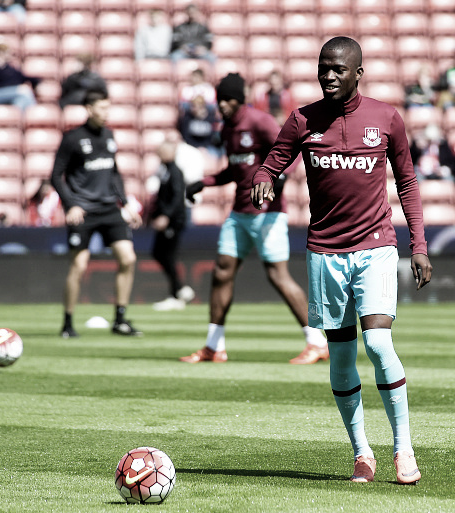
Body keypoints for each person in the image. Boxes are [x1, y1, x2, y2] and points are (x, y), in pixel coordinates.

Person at [251, 37, 432, 485]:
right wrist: (263, 180)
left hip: (376, 246)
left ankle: (403, 449)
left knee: (378, 344)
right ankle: (361, 453)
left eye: (337, 69)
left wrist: (420, 246)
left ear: (358, 73)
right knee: (341, 357)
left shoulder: (386, 117)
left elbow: (407, 182)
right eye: (322, 67)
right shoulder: (302, 120)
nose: (328, 75)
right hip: (324, 252)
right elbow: (270, 163)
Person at [180, 72, 329, 365]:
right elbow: (235, 171)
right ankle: (214, 346)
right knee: (222, 272)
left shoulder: (259, 121)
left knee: (278, 276)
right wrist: (205, 182)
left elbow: (293, 150)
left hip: (269, 213)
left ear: (239, 99)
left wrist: (281, 176)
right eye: (220, 99)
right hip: (239, 212)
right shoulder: (226, 129)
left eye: (228, 99)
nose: (222, 105)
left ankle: (317, 342)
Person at [50, 90, 143, 338]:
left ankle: (120, 319)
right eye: (101, 108)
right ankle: (68, 323)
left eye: (108, 108)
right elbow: (55, 176)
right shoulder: (72, 138)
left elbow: (114, 173)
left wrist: (125, 204)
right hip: (84, 211)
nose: (106, 113)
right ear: (89, 109)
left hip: (109, 209)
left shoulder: (109, 136)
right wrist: (71, 205)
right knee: (79, 265)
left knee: (128, 258)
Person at [150, 138, 195, 311]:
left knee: (167, 255)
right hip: (168, 219)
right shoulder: (164, 170)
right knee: (160, 254)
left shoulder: (175, 171)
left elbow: (177, 197)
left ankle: (178, 292)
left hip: (173, 221)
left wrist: (166, 216)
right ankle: (178, 290)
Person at [0, 43, 40, 111]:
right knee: (24, 90)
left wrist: (36, 81)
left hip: (10, 94)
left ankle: (17, 118)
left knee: (20, 100)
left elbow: (22, 77)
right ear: (0, 53)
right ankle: (33, 112)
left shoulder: (8, 68)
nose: (10, 56)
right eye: (8, 53)